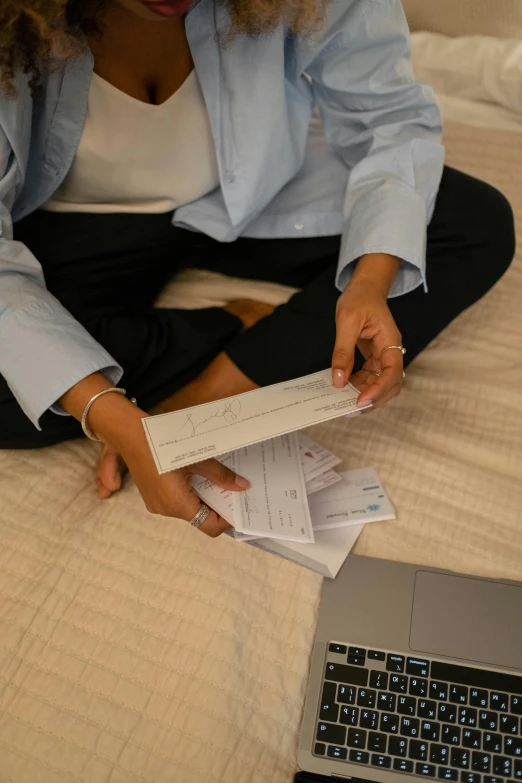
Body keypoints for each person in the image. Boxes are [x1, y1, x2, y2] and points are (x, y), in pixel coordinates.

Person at [0, 0, 515, 536]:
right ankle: (240, 324)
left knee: (472, 222)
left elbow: (388, 120)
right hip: (72, 221)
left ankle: (205, 390)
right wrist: (109, 414)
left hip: (248, 194)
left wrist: (369, 281)